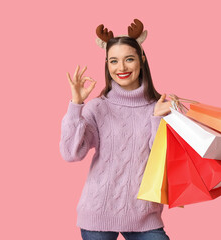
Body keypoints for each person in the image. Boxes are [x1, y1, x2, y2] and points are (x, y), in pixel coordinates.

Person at [59, 19, 171, 240]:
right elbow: (71, 154)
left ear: (142, 60)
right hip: (98, 212)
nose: (121, 68)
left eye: (129, 59)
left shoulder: (159, 107)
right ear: (107, 65)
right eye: (113, 61)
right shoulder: (98, 107)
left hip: (144, 214)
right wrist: (76, 106)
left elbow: (165, 160)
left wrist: (159, 118)